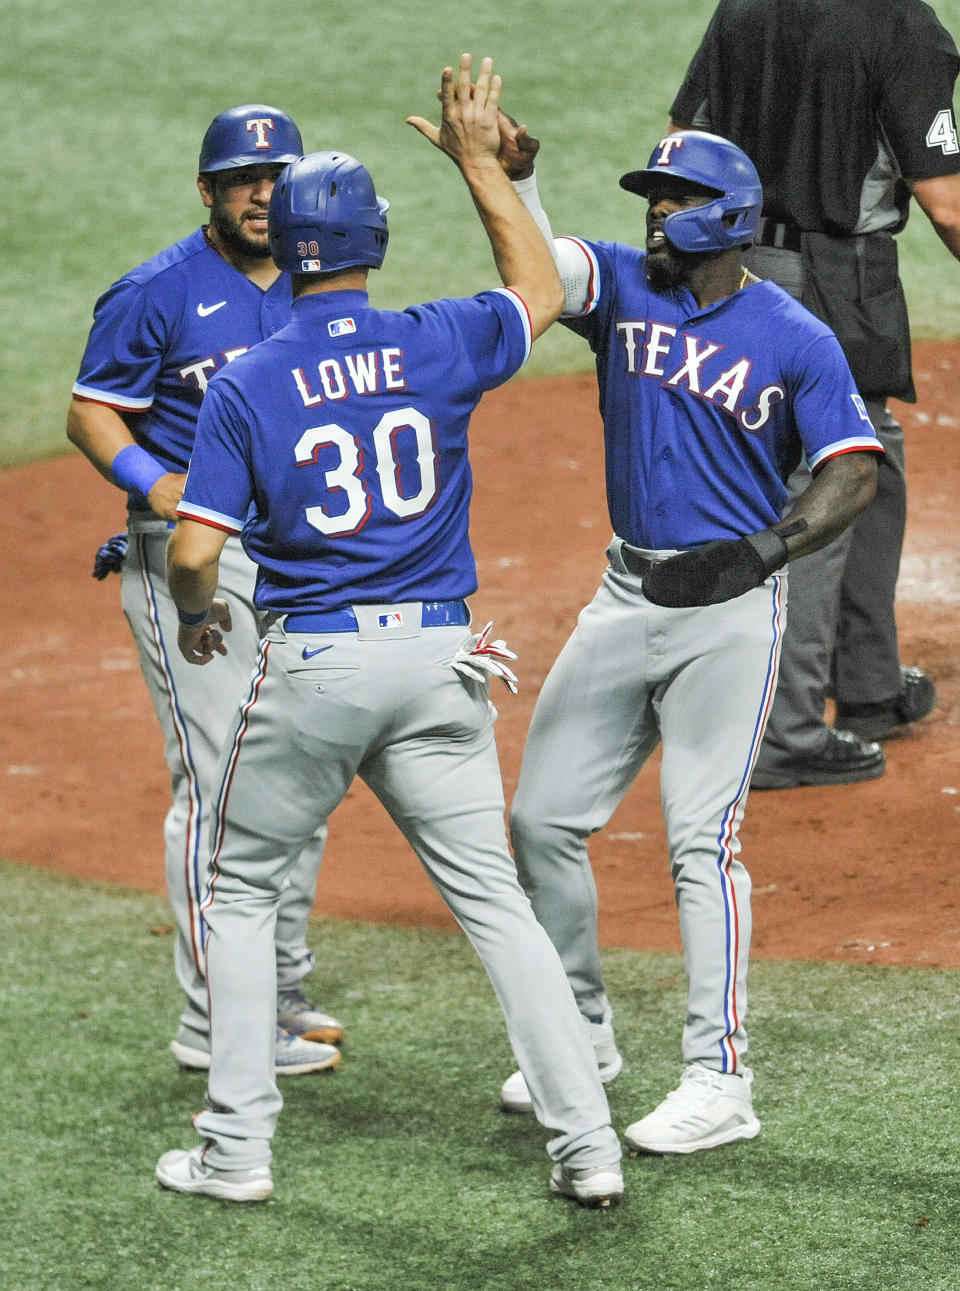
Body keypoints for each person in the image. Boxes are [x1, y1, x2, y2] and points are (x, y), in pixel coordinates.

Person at [153, 55, 624, 1210]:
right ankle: (590, 1147)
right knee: (498, 908)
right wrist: (481, 165)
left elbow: (197, 551)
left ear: (292, 249)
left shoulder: (250, 380)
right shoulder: (436, 338)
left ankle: (235, 1152)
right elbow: (541, 288)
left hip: (316, 665)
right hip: (440, 660)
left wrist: (203, 621)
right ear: (373, 241)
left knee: (244, 890)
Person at [494, 122, 882, 1153]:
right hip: (625, 596)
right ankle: (581, 1033)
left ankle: (721, 1080)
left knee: (701, 843)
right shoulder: (624, 286)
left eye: (672, 196)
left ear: (728, 213)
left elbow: (853, 467)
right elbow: (539, 273)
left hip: (728, 615)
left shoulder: (792, 334)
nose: (655, 211)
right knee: (538, 821)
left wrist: (760, 554)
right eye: (651, 195)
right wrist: (511, 176)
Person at [67, 104, 343, 1076]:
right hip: (192, 557)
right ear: (209, 192)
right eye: (243, 180)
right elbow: (94, 410)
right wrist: (156, 484)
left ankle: (280, 983)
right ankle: (216, 1020)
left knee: (303, 766)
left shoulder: (320, 280)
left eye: (278, 177)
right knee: (220, 780)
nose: (263, 195)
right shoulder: (157, 292)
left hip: (296, 555)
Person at [669, 0, 960, 788]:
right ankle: (788, 731)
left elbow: (682, 151)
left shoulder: (745, 6)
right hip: (839, 281)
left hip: (734, 263)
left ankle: (868, 682)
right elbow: (947, 202)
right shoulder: (902, 25)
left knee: (875, 463)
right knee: (830, 486)